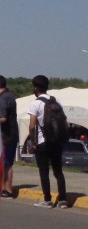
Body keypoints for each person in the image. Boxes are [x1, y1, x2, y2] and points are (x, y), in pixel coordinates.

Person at [28, 75, 68, 208]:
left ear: (36, 88)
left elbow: (32, 126)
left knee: (44, 172)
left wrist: (33, 142)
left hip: (42, 142)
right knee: (58, 172)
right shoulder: (57, 102)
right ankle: (63, 200)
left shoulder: (35, 103)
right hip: (56, 142)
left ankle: (47, 200)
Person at [0, 75, 18, 198]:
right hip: (12, 133)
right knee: (7, 163)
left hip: (6, 135)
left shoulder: (2, 99)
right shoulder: (10, 95)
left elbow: (3, 118)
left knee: (6, 164)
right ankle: (4, 188)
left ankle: (8, 189)